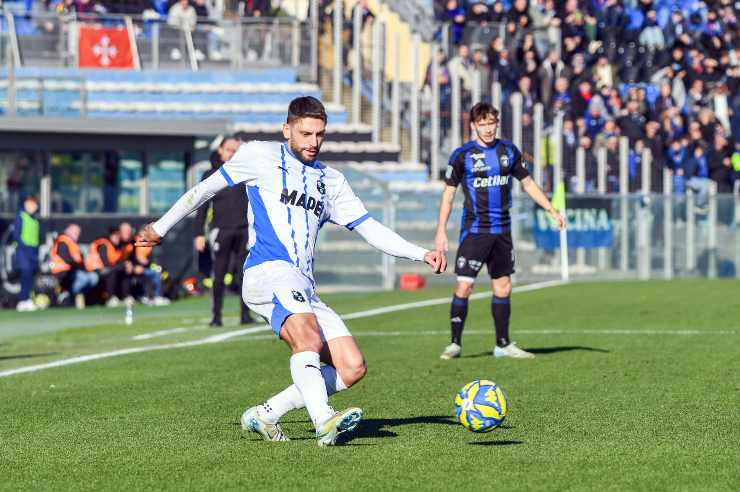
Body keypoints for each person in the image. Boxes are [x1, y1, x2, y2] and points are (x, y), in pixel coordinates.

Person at [136, 96, 446, 446]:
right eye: (305, 133)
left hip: (303, 284)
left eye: (320, 134)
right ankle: (323, 421)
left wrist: (421, 254)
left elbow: (370, 228)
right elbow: (205, 189)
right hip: (267, 271)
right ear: (287, 129)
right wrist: (160, 228)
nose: (313, 142)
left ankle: (266, 414)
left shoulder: (331, 180)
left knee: (352, 367)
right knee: (307, 337)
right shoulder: (259, 155)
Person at [436, 102, 565, 360]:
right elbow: (449, 195)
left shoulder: (508, 151)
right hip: (475, 231)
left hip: (502, 231)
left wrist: (551, 210)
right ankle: (455, 343)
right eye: (481, 124)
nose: (487, 129)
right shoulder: (463, 156)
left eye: (491, 123)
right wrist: (441, 230)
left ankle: (502, 344)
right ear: (473, 125)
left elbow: (528, 184)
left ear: (497, 123)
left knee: (503, 286)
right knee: (464, 286)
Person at [194, 135, 254, 327]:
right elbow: (201, 206)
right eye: (229, 149)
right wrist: (198, 233)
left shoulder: (245, 173)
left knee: (244, 273)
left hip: (244, 229)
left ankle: (246, 315)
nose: (232, 153)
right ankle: (216, 317)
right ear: (220, 150)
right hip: (221, 230)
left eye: (236, 150)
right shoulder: (211, 174)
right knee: (218, 274)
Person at [50, 223, 98, 309]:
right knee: (84, 277)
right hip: (62, 274)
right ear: (68, 231)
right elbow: (66, 258)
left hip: (72, 272)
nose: (77, 234)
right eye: (75, 231)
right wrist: (77, 264)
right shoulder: (63, 240)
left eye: (78, 232)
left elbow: (80, 260)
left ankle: (74, 297)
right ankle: (67, 294)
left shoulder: (72, 243)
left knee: (93, 277)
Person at [84, 226, 125, 306]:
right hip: (93, 270)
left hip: (101, 269)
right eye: (116, 236)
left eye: (118, 236)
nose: (118, 238)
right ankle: (110, 298)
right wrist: (121, 266)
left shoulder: (115, 246)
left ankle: (124, 297)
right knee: (112, 272)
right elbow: (105, 263)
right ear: (111, 236)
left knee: (120, 270)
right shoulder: (103, 244)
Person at [13, 195, 40, 312]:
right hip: (23, 251)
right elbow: (16, 235)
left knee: (31, 276)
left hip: (33, 251)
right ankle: (22, 300)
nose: (32, 207)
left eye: (34, 205)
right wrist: (25, 248)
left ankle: (27, 299)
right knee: (25, 275)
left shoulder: (35, 219)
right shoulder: (21, 217)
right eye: (30, 204)